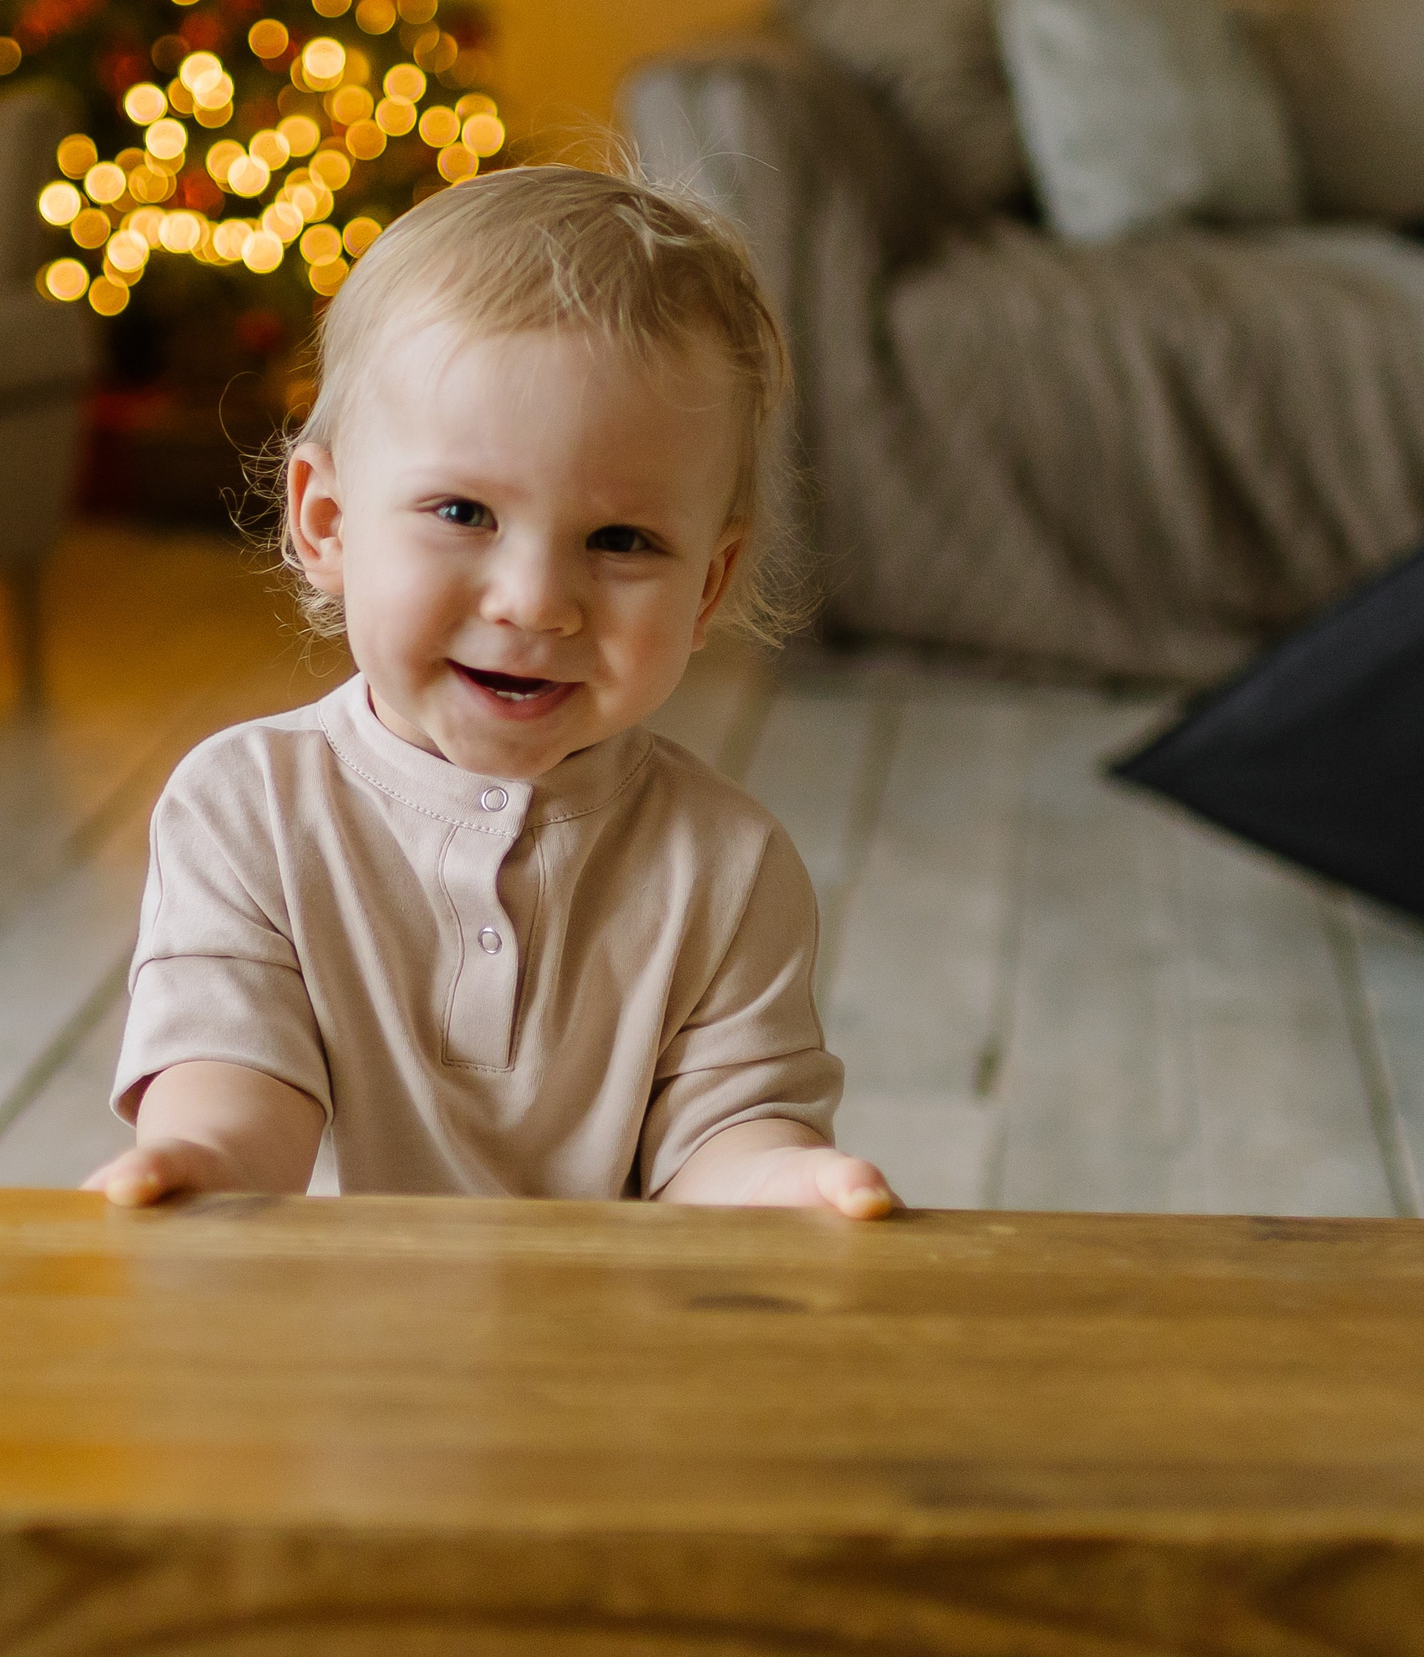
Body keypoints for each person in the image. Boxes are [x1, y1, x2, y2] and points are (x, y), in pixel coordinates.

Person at [85, 165, 899, 1218]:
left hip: (599, 1356)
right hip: (321, 1344)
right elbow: (239, 1085)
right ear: (326, 521)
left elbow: (723, 1133)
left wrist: (778, 1181)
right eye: (463, 513)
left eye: (620, 540)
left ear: (708, 587)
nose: (534, 603)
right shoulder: (245, 808)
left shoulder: (726, 866)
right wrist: (206, 1161)